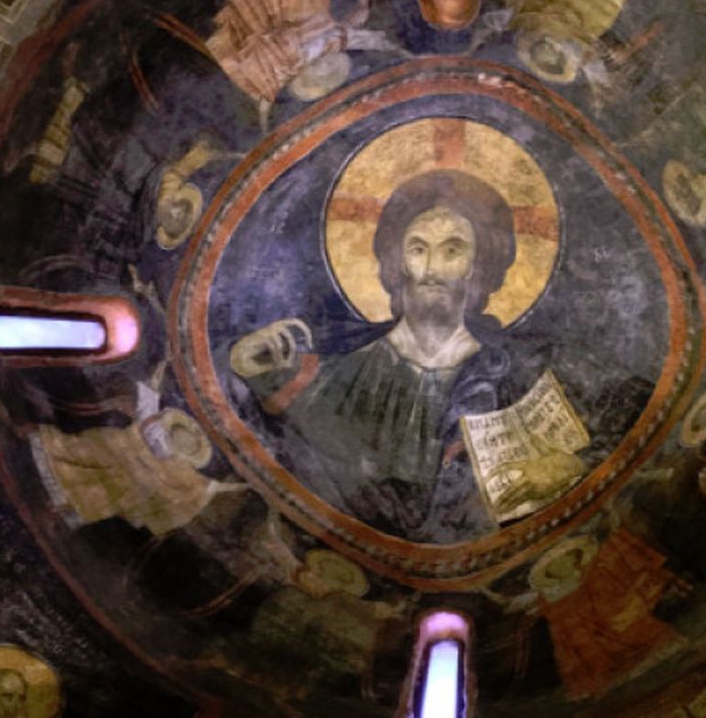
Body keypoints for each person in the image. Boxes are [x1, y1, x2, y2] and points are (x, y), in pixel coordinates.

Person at [230, 170, 549, 541]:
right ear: (398, 262)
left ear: (479, 265)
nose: (432, 270)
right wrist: (242, 365)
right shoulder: (336, 370)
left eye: (452, 251)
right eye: (418, 249)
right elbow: (263, 419)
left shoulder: (505, 377)